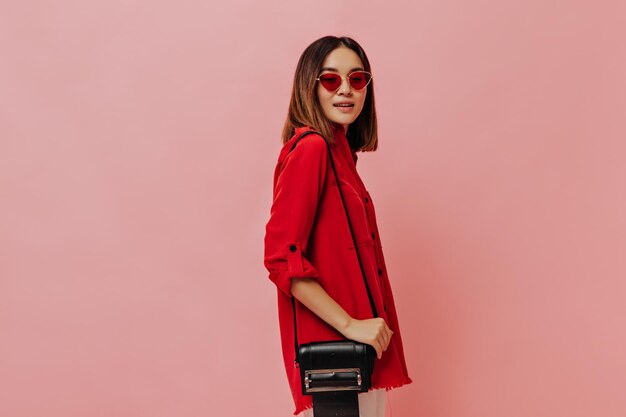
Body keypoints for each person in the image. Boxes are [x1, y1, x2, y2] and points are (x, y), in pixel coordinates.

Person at [264, 35, 412, 417]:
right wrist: (351, 324)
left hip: (361, 355)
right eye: (331, 80)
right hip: (336, 358)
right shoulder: (311, 149)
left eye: (357, 79)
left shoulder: (340, 153)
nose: (346, 90)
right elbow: (282, 260)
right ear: (309, 85)